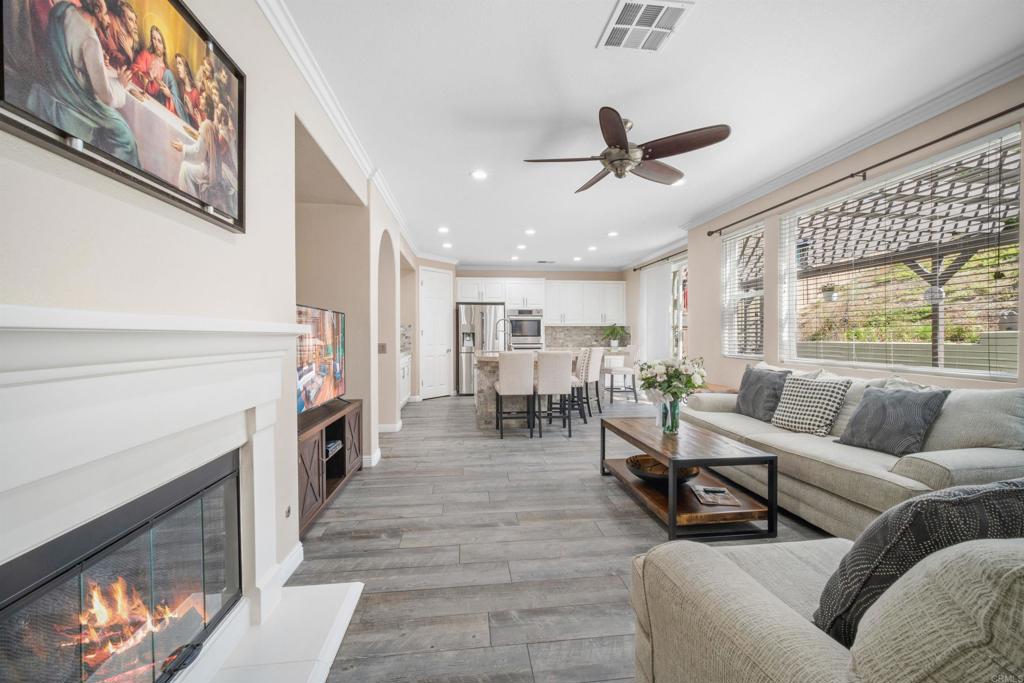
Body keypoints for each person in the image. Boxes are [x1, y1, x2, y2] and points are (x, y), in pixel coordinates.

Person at [27, 0, 138, 165]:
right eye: (106, 14)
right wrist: (121, 84)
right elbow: (105, 96)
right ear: (97, 9)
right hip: (73, 93)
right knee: (125, 134)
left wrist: (96, 59)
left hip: (56, 81)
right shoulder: (90, 39)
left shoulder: (63, 10)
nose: (108, 20)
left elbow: (69, 52)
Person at [131, 24, 186, 118]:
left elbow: (170, 101)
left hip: (153, 111)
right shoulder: (145, 55)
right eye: (153, 38)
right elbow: (133, 70)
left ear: (164, 47)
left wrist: (168, 94)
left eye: (159, 41)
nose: (156, 44)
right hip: (138, 101)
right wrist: (143, 76)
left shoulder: (167, 73)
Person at [173, 53, 200, 126]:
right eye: (177, 64)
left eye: (180, 64)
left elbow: (199, 124)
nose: (177, 67)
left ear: (186, 69)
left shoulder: (195, 93)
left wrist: (191, 111)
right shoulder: (179, 86)